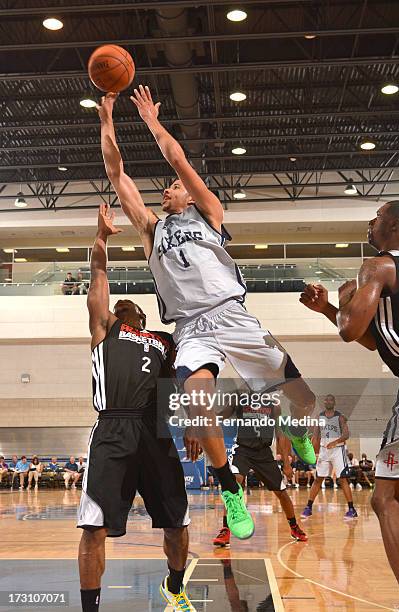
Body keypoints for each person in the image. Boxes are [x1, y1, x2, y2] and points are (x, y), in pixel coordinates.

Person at [98, 88, 316, 541]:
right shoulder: (151, 230)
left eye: (174, 187)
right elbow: (116, 173)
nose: (168, 187)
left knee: (306, 399)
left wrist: (152, 122)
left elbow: (179, 161)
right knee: (198, 403)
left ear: (191, 198)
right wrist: (107, 119)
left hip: (234, 316)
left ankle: (296, 431)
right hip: (191, 327)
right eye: (167, 187)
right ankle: (230, 487)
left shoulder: (209, 214)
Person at [77, 205, 195, 612]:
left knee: (178, 522)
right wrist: (102, 236)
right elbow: (98, 273)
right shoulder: (104, 328)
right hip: (112, 430)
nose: (133, 311)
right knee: (94, 526)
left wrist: (194, 424)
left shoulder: (164, 341)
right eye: (124, 309)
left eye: (137, 311)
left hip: (156, 430)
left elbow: (180, 385)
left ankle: (175, 587)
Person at [300, 200, 399, 612]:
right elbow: (375, 337)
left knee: (388, 500)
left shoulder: (377, 265)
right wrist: (328, 308)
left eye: (377, 218)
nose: (370, 222)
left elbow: (351, 330)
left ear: (394, 226)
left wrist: (344, 303)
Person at [213, 396, 307, 547]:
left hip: (264, 453)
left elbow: (280, 434)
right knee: (234, 483)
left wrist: (286, 462)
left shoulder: (274, 405)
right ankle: (225, 529)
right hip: (242, 450)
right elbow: (222, 415)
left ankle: (294, 527)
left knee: (281, 492)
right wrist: (203, 414)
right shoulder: (240, 400)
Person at [301, 395, 358, 520]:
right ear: (324, 402)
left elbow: (346, 434)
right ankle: (308, 507)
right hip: (324, 450)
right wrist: (311, 449)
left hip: (338, 450)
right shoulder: (319, 417)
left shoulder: (340, 417)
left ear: (334, 402)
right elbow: (315, 436)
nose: (328, 401)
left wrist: (335, 442)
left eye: (331, 400)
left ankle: (352, 509)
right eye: (326, 400)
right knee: (318, 479)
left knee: (343, 479)